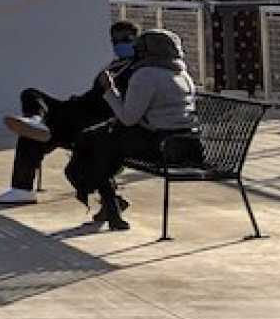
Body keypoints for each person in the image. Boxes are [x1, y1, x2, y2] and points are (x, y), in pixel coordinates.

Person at [0, 21, 143, 205]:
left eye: (125, 39)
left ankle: (22, 187)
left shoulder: (138, 70)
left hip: (92, 122)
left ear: (137, 40)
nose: (119, 44)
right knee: (31, 96)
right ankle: (36, 121)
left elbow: (124, 105)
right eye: (115, 41)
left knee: (43, 128)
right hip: (76, 111)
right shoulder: (115, 64)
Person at [65, 29, 199, 231]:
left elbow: (128, 118)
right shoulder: (182, 74)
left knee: (95, 146)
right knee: (100, 142)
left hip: (158, 146)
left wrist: (109, 90)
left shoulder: (145, 75)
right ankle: (110, 207)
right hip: (184, 145)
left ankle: (107, 203)